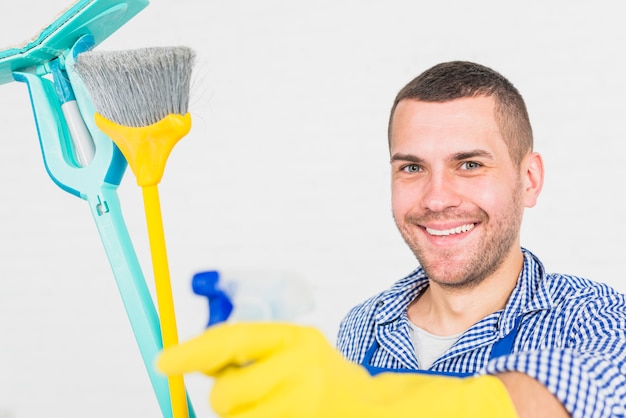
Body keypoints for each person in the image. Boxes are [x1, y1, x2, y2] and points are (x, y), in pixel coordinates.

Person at [157, 61, 626, 417]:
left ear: (529, 179)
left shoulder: (597, 318)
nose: (437, 198)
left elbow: (579, 395)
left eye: (469, 164)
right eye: (412, 168)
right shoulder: (363, 328)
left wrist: (363, 401)